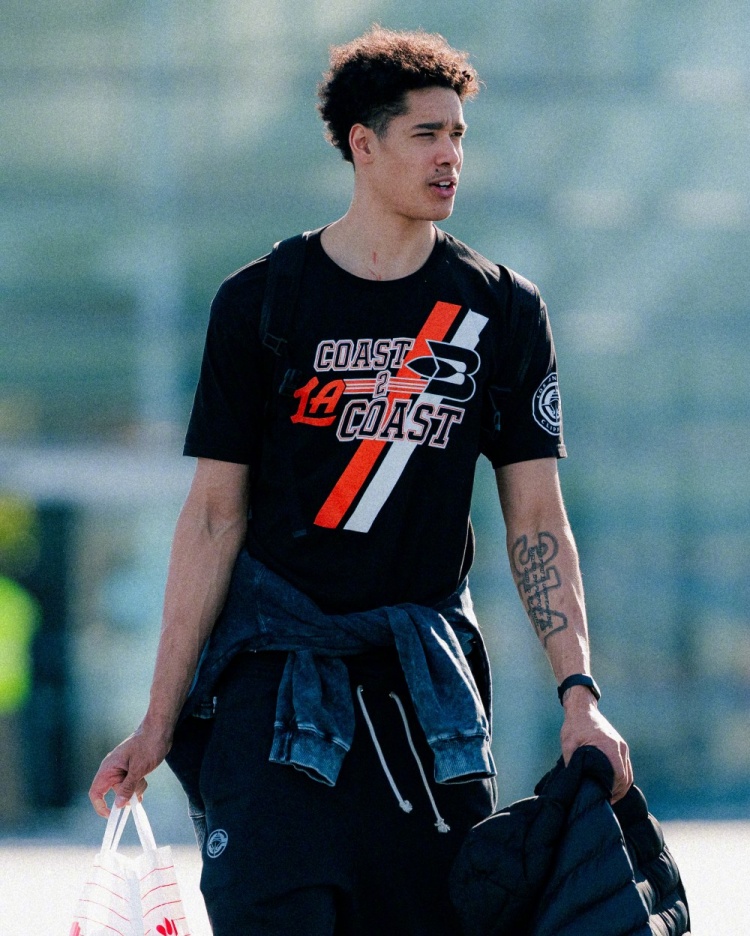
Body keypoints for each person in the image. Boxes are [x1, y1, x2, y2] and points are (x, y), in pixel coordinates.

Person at [90, 25, 632, 936]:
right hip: (272, 686)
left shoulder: (500, 309)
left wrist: (580, 697)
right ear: (363, 144)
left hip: (425, 703)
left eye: (458, 136)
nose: (451, 157)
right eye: (427, 135)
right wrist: (157, 720)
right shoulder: (262, 301)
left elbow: (538, 519)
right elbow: (213, 518)